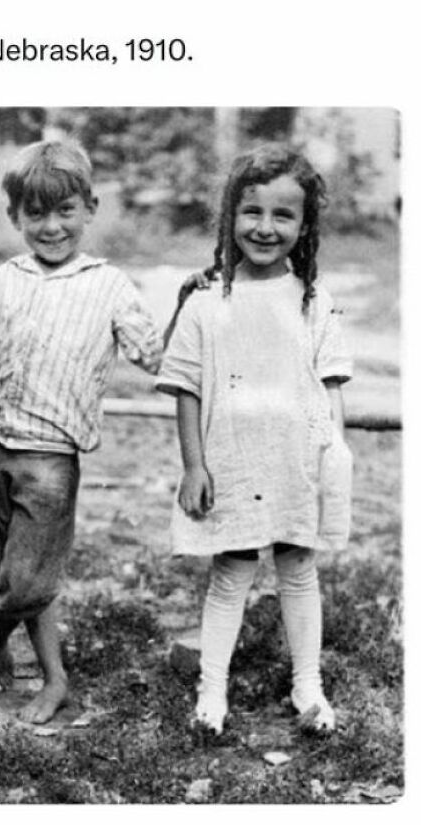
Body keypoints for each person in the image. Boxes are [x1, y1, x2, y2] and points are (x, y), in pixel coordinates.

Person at [0, 140, 203, 725]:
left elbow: (157, 357)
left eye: (65, 210)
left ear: (90, 207)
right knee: (6, 566)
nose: (51, 226)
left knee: (28, 576)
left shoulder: (109, 286)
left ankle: (53, 677)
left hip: (51, 457)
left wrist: (186, 305)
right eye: (35, 213)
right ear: (15, 217)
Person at [156, 144, 352, 734]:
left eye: (283, 215)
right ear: (229, 217)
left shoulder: (313, 302)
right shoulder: (207, 302)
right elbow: (186, 388)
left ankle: (308, 688)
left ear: (304, 225)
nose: (265, 228)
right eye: (252, 212)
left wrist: (333, 458)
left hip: (295, 462)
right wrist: (195, 467)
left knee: (298, 568)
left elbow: (330, 387)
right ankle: (211, 695)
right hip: (231, 462)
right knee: (232, 571)